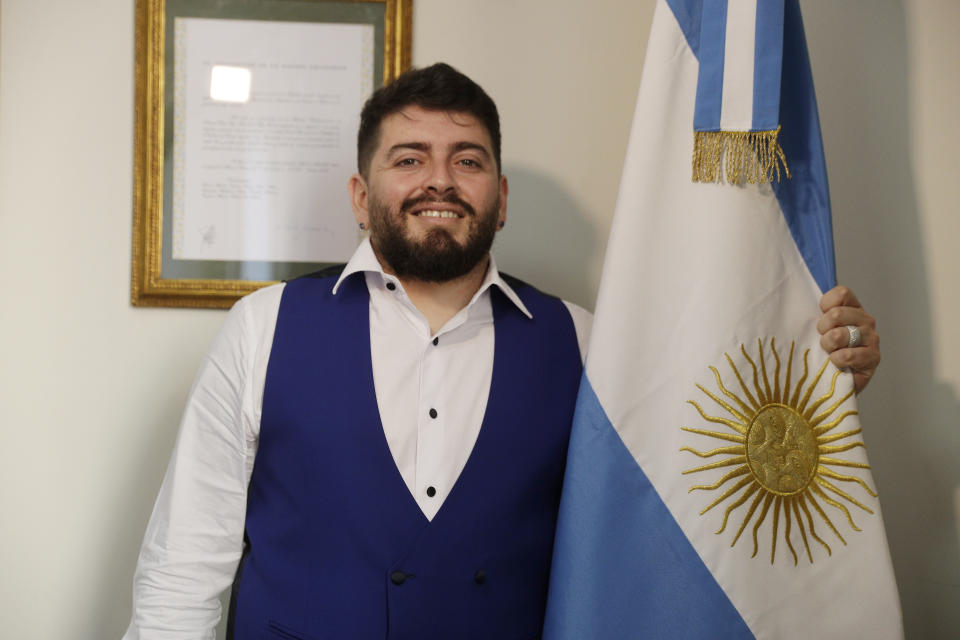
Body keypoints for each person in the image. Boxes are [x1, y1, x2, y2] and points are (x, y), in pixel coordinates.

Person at [124, 63, 881, 639]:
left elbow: (693, 489)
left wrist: (821, 374)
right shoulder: (263, 328)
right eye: (409, 158)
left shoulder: (587, 342)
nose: (440, 181)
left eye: (468, 159)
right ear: (361, 195)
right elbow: (184, 567)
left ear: (501, 195)